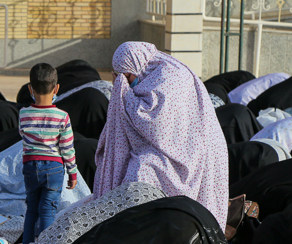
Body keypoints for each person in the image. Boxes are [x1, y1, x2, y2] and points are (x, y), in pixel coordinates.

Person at [93, 42, 229, 231]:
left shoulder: (170, 74)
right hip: (175, 146)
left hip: (192, 151)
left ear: (137, 64)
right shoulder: (156, 73)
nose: (125, 81)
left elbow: (155, 123)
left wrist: (124, 94)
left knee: (141, 174)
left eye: (127, 76)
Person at [20, 63, 77, 244]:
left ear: (30, 89)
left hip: (30, 166)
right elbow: (67, 148)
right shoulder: (62, 116)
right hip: (54, 168)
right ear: (56, 88)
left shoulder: (23, 114)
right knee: (47, 210)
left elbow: (23, 137)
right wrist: (72, 173)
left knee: (31, 209)